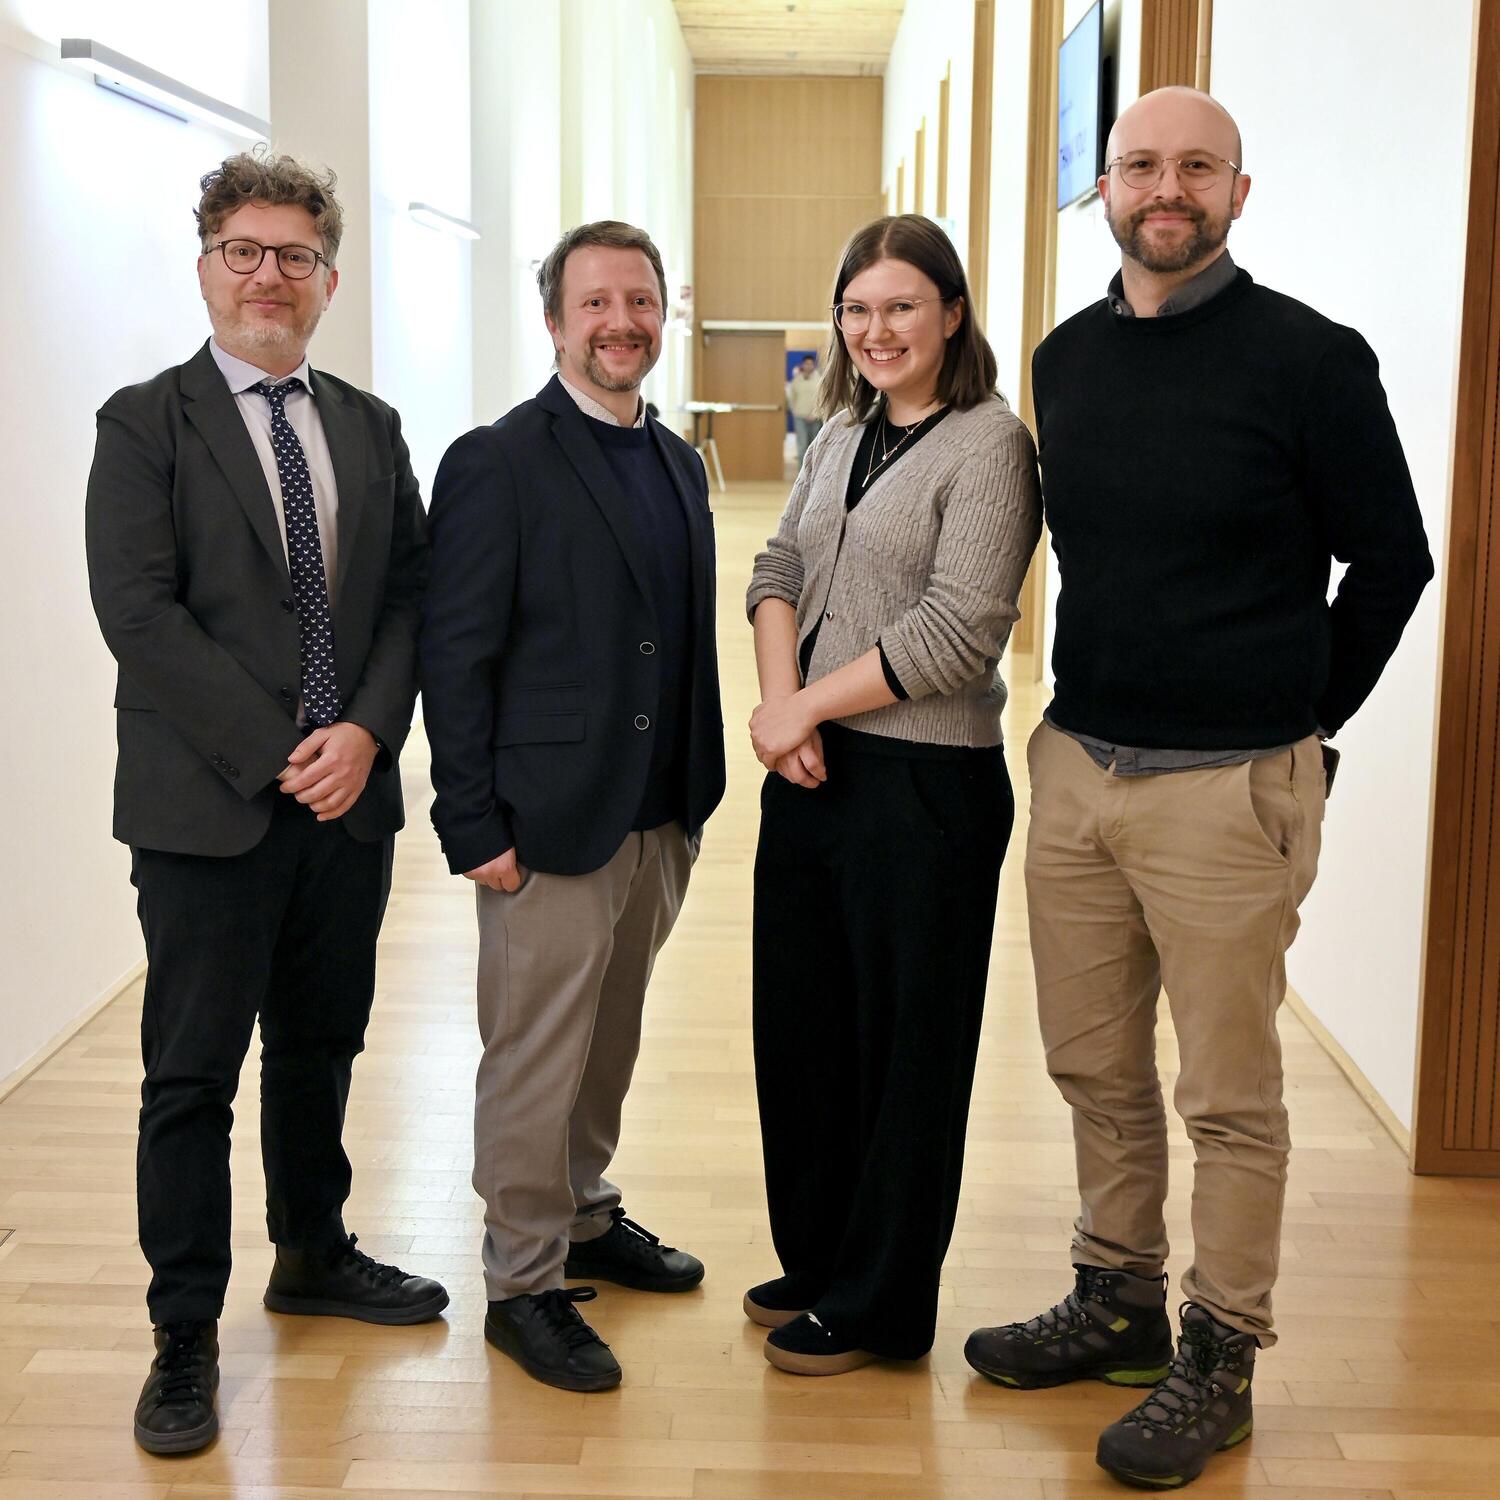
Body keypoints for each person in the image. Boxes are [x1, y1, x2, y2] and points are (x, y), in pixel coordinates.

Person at [963, 87, 1434, 1490]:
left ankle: (1220, 1350)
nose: (1166, 189)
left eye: (1196, 168)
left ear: (1238, 190)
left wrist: (1300, 720)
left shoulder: (1312, 360)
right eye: (1141, 166)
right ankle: (1117, 1295)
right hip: (1078, 768)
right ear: (1105, 188)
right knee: (1093, 1063)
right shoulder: (1065, 360)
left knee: (1226, 1095)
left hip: (1228, 790)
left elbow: (1394, 561)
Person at [85, 151, 441, 1458]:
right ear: (206, 268)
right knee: (191, 1077)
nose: (269, 276)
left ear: (328, 279)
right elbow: (140, 614)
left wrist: (367, 734)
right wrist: (287, 749)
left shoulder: (371, 426)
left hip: (345, 804)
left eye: (296, 255)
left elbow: (408, 594)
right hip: (209, 807)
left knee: (319, 1044)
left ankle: (313, 1251)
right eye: (245, 250)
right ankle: (183, 1332)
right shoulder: (145, 423)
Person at [420, 221, 726, 1393]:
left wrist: (690, 801)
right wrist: (471, 824)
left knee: (610, 1038)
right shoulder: (498, 461)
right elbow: (457, 657)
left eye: (639, 301)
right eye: (595, 302)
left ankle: (585, 1212)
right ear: (554, 321)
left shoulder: (678, 461)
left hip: (657, 815)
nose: (620, 322)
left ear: (664, 314)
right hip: (546, 820)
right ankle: (522, 1282)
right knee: (536, 1052)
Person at [744, 214, 1042, 1376]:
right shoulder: (842, 430)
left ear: (952, 314)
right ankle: (823, 1259)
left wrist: (805, 708)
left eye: (902, 306)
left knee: (906, 1056)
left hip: (925, 789)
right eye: (858, 309)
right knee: (805, 1034)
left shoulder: (990, 445)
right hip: (811, 771)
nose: (877, 330)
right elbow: (777, 566)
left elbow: (959, 632)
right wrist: (784, 707)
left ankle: (881, 1302)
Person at [785, 353, 823, 463]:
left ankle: (814, 472)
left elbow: (823, 399)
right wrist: (796, 412)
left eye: (810, 364)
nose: (808, 366)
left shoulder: (820, 380)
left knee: (815, 447)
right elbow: (792, 398)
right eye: (806, 364)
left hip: (816, 418)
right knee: (802, 446)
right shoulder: (796, 380)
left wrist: (816, 414)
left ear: (814, 365)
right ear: (802, 365)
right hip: (800, 417)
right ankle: (802, 472)